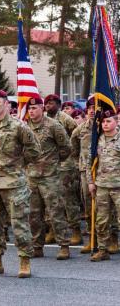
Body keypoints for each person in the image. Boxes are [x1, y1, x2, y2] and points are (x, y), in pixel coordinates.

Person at [0, 89, 40, 278]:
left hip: (14, 184)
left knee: (19, 224)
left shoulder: (19, 126)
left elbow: (34, 151)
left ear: (7, 105)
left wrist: (18, 165)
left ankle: (24, 261)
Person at [26, 97, 72, 260]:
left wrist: (53, 162)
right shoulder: (24, 127)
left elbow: (66, 148)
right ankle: (37, 246)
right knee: (33, 214)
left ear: (42, 108)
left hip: (50, 177)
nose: (31, 111)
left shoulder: (53, 126)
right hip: (31, 178)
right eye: (29, 109)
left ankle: (64, 245)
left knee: (56, 212)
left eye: (35, 108)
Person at [44, 94, 82, 245]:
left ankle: (75, 231)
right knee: (51, 200)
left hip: (66, 165)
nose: (48, 106)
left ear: (58, 105)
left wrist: (72, 156)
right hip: (49, 166)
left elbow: (76, 137)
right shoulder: (43, 119)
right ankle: (53, 229)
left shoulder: (66, 119)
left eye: (52, 103)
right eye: (46, 103)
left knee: (68, 199)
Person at [88, 110, 120, 261]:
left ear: (116, 122)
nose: (105, 124)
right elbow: (91, 162)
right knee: (101, 220)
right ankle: (102, 250)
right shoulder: (97, 139)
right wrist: (90, 182)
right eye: (103, 122)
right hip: (101, 185)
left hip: (118, 186)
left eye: (109, 121)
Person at [71, 97, 100, 253]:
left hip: (105, 172)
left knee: (105, 207)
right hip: (85, 172)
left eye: (94, 107)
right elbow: (73, 149)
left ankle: (111, 239)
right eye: (89, 107)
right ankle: (91, 239)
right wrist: (80, 163)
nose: (91, 110)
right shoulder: (80, 129)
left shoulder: (105, 127)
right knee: (88, 205)